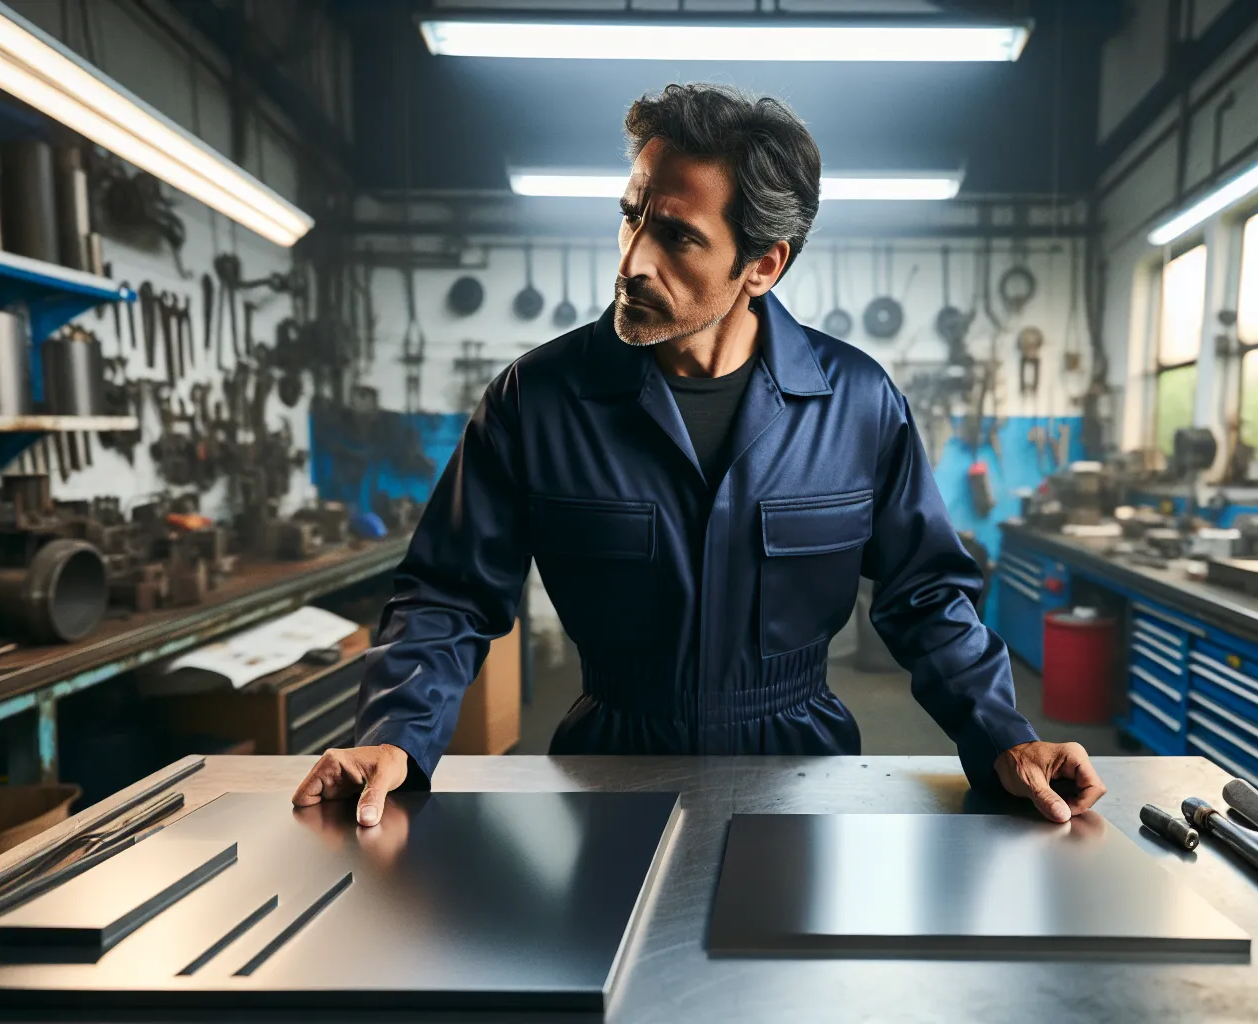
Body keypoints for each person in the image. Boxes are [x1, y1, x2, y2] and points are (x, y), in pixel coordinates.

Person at [293, 84, 1106, 827]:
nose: (632, 259)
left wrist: (1003, 734)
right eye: (631, 216)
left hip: (806, 777)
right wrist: (397, 732)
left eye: (677, 236)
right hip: (610, 767)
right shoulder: (538, 400)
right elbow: (449, 593)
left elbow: (926, 595)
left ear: (763, 264)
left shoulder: (856, 404)